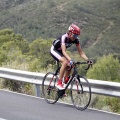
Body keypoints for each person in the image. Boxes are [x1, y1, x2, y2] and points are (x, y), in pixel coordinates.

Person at [50, 23, 93, 90]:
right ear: (70, 33)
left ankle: (63, 85)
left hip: (61, 52)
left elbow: (81, 52)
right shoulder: (64, 37)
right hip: (54, 50)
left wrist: (87, 60)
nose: (75, 37)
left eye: (77, 35)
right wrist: (70, 60)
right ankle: (59, 83)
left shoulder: (76, 40)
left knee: (70, 66)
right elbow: (64, 52)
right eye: (74, 35)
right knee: (65, 62)